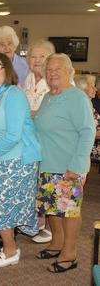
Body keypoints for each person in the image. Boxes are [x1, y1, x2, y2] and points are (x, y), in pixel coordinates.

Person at [0, 52, 41, 268]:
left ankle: (11, 250)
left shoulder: (13, 94)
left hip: (17, 159)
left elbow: (13, 135)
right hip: (2, 158)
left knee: (1, 205)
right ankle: (8, 247)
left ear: (8, 71)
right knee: (1, 204)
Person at [34, 54, 95, 273]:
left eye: (58, 69)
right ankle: (57, 243)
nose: (52, 73)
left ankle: (70, 253)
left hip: (69, 165)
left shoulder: (78, 97)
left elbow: (88, 132)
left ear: (70, 72)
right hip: (47, 164)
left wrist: (77, 166)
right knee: (51, 208)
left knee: (69, 211)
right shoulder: (49, 96)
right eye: (49, 69)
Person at [23, 40, 55, 117]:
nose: (37, 60)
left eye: (42, 56)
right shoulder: (28, 78)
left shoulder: (56, 79)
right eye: (33, 57)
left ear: (50, 60)